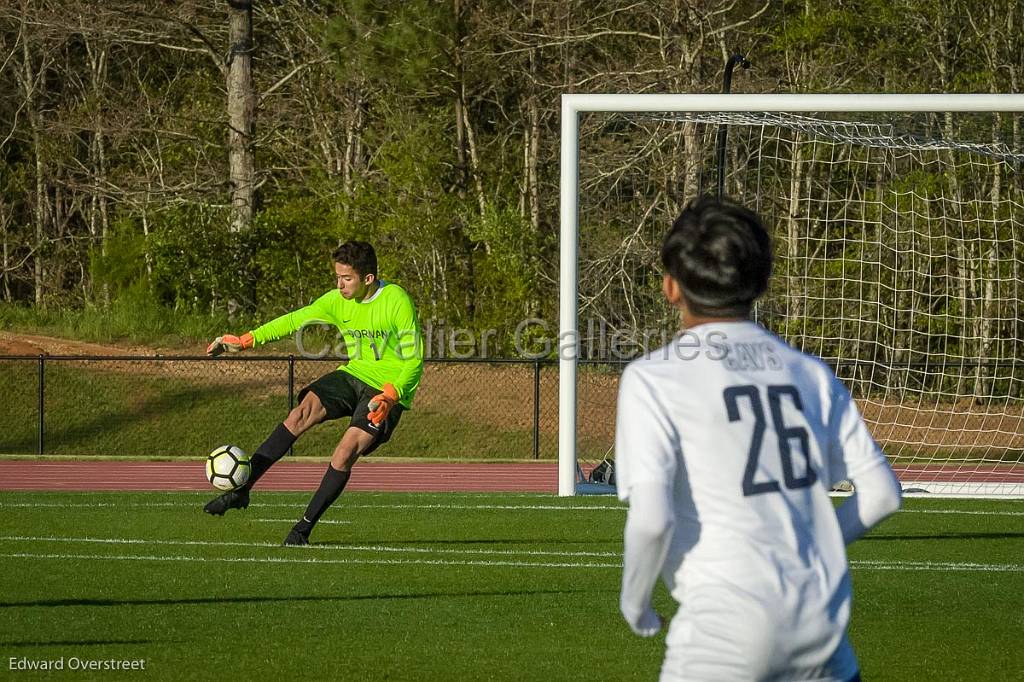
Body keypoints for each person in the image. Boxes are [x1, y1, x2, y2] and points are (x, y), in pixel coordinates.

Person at [615, 196, 902, 681]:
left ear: (670, 286)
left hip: (723, 631)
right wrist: (818, 546)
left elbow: (652, 520)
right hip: (820, 624)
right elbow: (881, 495)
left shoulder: (653, 377)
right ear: (761, 283)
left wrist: (635, 604)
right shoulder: (810, 372)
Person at [203, 240, 423, 546]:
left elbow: (414, 360)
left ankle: (302, 530)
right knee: (301, 412)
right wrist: (245, 340)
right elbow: (295, 320)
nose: (340, 285)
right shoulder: (337, 301)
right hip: (354, 374)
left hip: (387, 391)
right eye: (337, 277)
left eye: (347, 279)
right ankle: (242, 490)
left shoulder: (396, 300)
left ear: (368, 279)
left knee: (345, 452)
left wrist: (392, 395)